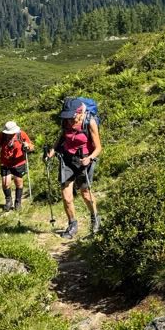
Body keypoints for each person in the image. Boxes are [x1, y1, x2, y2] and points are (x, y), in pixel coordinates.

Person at [46, 98, 101, 239]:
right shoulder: (66, 121)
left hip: (85, 160)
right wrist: (53, 150)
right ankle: (72, 225)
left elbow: (98, 148)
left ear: (79, 112)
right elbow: (62, 137)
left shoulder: (90, 122)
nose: (69, 120)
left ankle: (95, 219)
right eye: (67, 117)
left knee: (85, 193)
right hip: (67, 159)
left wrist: (89, 158)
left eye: (71, 117)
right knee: (66, 196)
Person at [0, 120, 34, 212]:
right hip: (5, 162)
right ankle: (8, 201)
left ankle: (18, 202)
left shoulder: (21, 134)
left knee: (18, 183)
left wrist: (28, 146)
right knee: (5, 183)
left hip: (19, 162)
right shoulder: (1, 135)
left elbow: (31, 146)